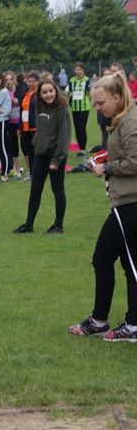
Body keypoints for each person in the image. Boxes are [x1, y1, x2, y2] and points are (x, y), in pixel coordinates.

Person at [68, 72, 137, 341]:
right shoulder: (122, 120)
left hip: (129, 203)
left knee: (107, 259)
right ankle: (117, 321)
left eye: (100, 103)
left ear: (117, 97)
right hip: (125, 201)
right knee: (121, 262)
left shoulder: (130, 121)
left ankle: (109, 321)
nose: (97, 108)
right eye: (95, 104)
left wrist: (107, 167)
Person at [13, 78, 70, 235]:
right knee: (35, 189)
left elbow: (64, 136)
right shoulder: (39, 106)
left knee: (57, 189)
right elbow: (40, 131)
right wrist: (37, 145)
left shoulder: (62, 109)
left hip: (55, 156)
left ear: (56, 91)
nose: (48, 94)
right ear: (40, 94)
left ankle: (58, 225)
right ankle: (29, 224)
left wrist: (57, 159)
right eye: (44, 92)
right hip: (40, 154)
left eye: (51, 91)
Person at [69, 63, 92, 159]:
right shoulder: (72, 80)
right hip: (74, 108)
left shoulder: (86, 80)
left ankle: (83, 150)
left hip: (84, 108)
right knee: (77, 129)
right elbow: (70, 93)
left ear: (83, 70)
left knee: (82, 128)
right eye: (77, 69)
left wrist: (86, 101)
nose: (78, 71)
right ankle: (80, 149)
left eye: (80, 69)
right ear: (75, 70)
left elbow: (90, 93)